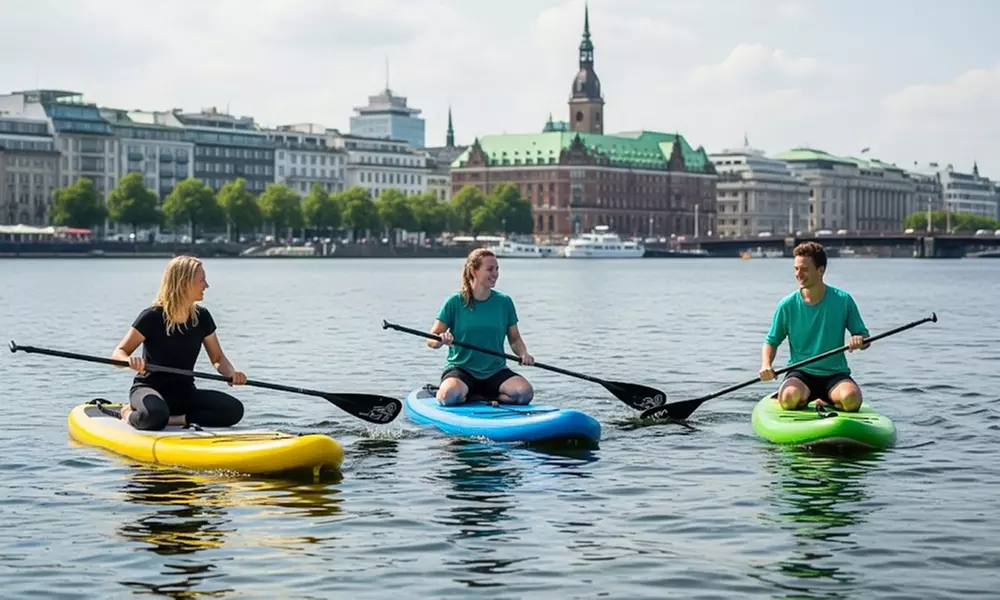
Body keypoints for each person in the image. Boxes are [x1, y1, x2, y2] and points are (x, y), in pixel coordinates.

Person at [110, 255, 247, 430]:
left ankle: (176, 419)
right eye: (202, 280)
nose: (206, 285)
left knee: (233, 410)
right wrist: (129, 361)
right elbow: (119, 352)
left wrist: (232, 374)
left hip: (184, 393)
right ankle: (127, 413)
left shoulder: (202, 317)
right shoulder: (152, 317)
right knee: (155, 416)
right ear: (184, 282)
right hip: (149, 389)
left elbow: (217, 357)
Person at [759, 241, 870, 412]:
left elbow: (864, 337)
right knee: (789, 399)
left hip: (834, 374)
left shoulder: (843, 300)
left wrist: (859, 340)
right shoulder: (787, 305)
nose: (798, 274)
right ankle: (796, 395)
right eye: (796, 269)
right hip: (801, 373)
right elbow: (771, 341)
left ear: (821, 270)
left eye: (804, 269)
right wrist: (766, 365)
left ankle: (826, 401)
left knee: (852, 400)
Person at [427, 248, 535, 406]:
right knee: (448, 397)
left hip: (495, 371)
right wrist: (441, 339)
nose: (495, 274)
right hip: (462, 370)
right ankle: (463, 394)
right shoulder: (454, 302)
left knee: (524, 394)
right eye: (490, 269)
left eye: (497, 269)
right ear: (473, 271)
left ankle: (484, 398)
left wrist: (523, 353)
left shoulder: (504, 302)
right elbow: (431, 340)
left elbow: (515, 339)